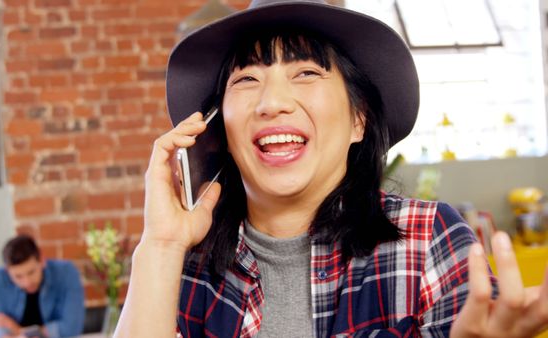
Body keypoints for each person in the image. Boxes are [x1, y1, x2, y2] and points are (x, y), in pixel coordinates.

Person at [119, 0, 548, 337]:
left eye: (306, 72)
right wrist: (160, 245)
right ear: (217, 129)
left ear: (358, 119)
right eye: (247, 80)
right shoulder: (183, 266)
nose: (272, 103)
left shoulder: (426, 239)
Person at [0, 234, 85, 338]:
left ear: (42, 260)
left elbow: (71, 328)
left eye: (31, 272)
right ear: (7, 271)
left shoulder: (66, 272)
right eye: (18, 276)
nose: (27, 282)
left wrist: (16, 329)